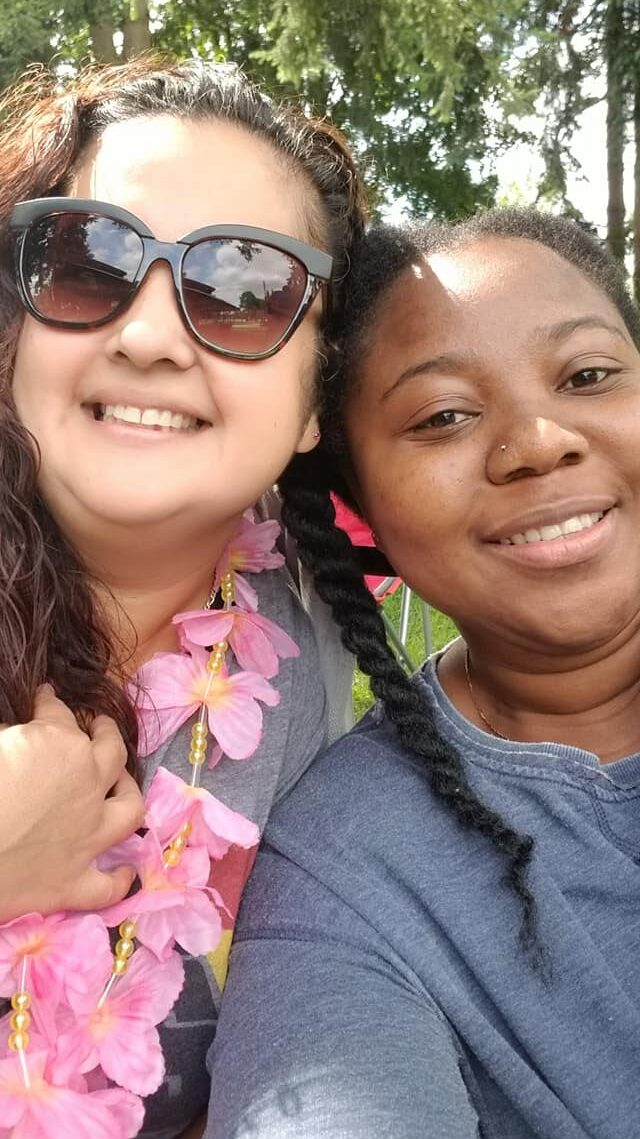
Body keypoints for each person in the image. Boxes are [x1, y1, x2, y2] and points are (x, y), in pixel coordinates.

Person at [208, 210, 640, 1139]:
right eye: (443, 415)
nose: (538, 440)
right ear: (362, 506)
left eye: (590, 376)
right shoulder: (342, 868)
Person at [0, 57, 364, 1138]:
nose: (150, 334)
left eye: (242, 287)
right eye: (85, 261)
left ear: (313, 401)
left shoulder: (321, 692)